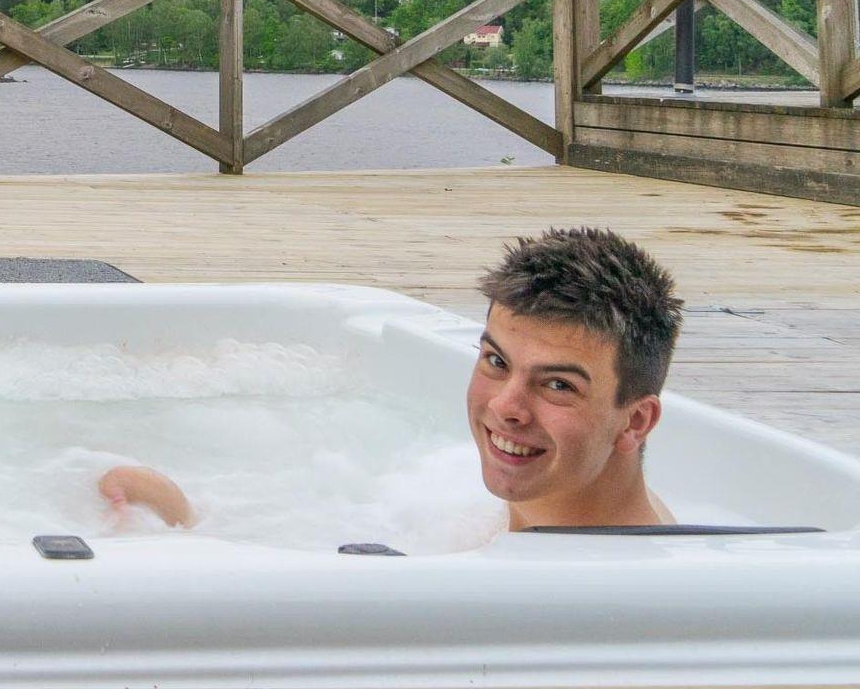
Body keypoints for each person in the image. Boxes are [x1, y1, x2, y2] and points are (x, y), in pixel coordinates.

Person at [98, 227, 684, 534]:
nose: (506, 407)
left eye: (557, 386)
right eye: (496, 361)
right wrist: (185, 523)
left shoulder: (623, 616)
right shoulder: (543, 518)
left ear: (635, 421)